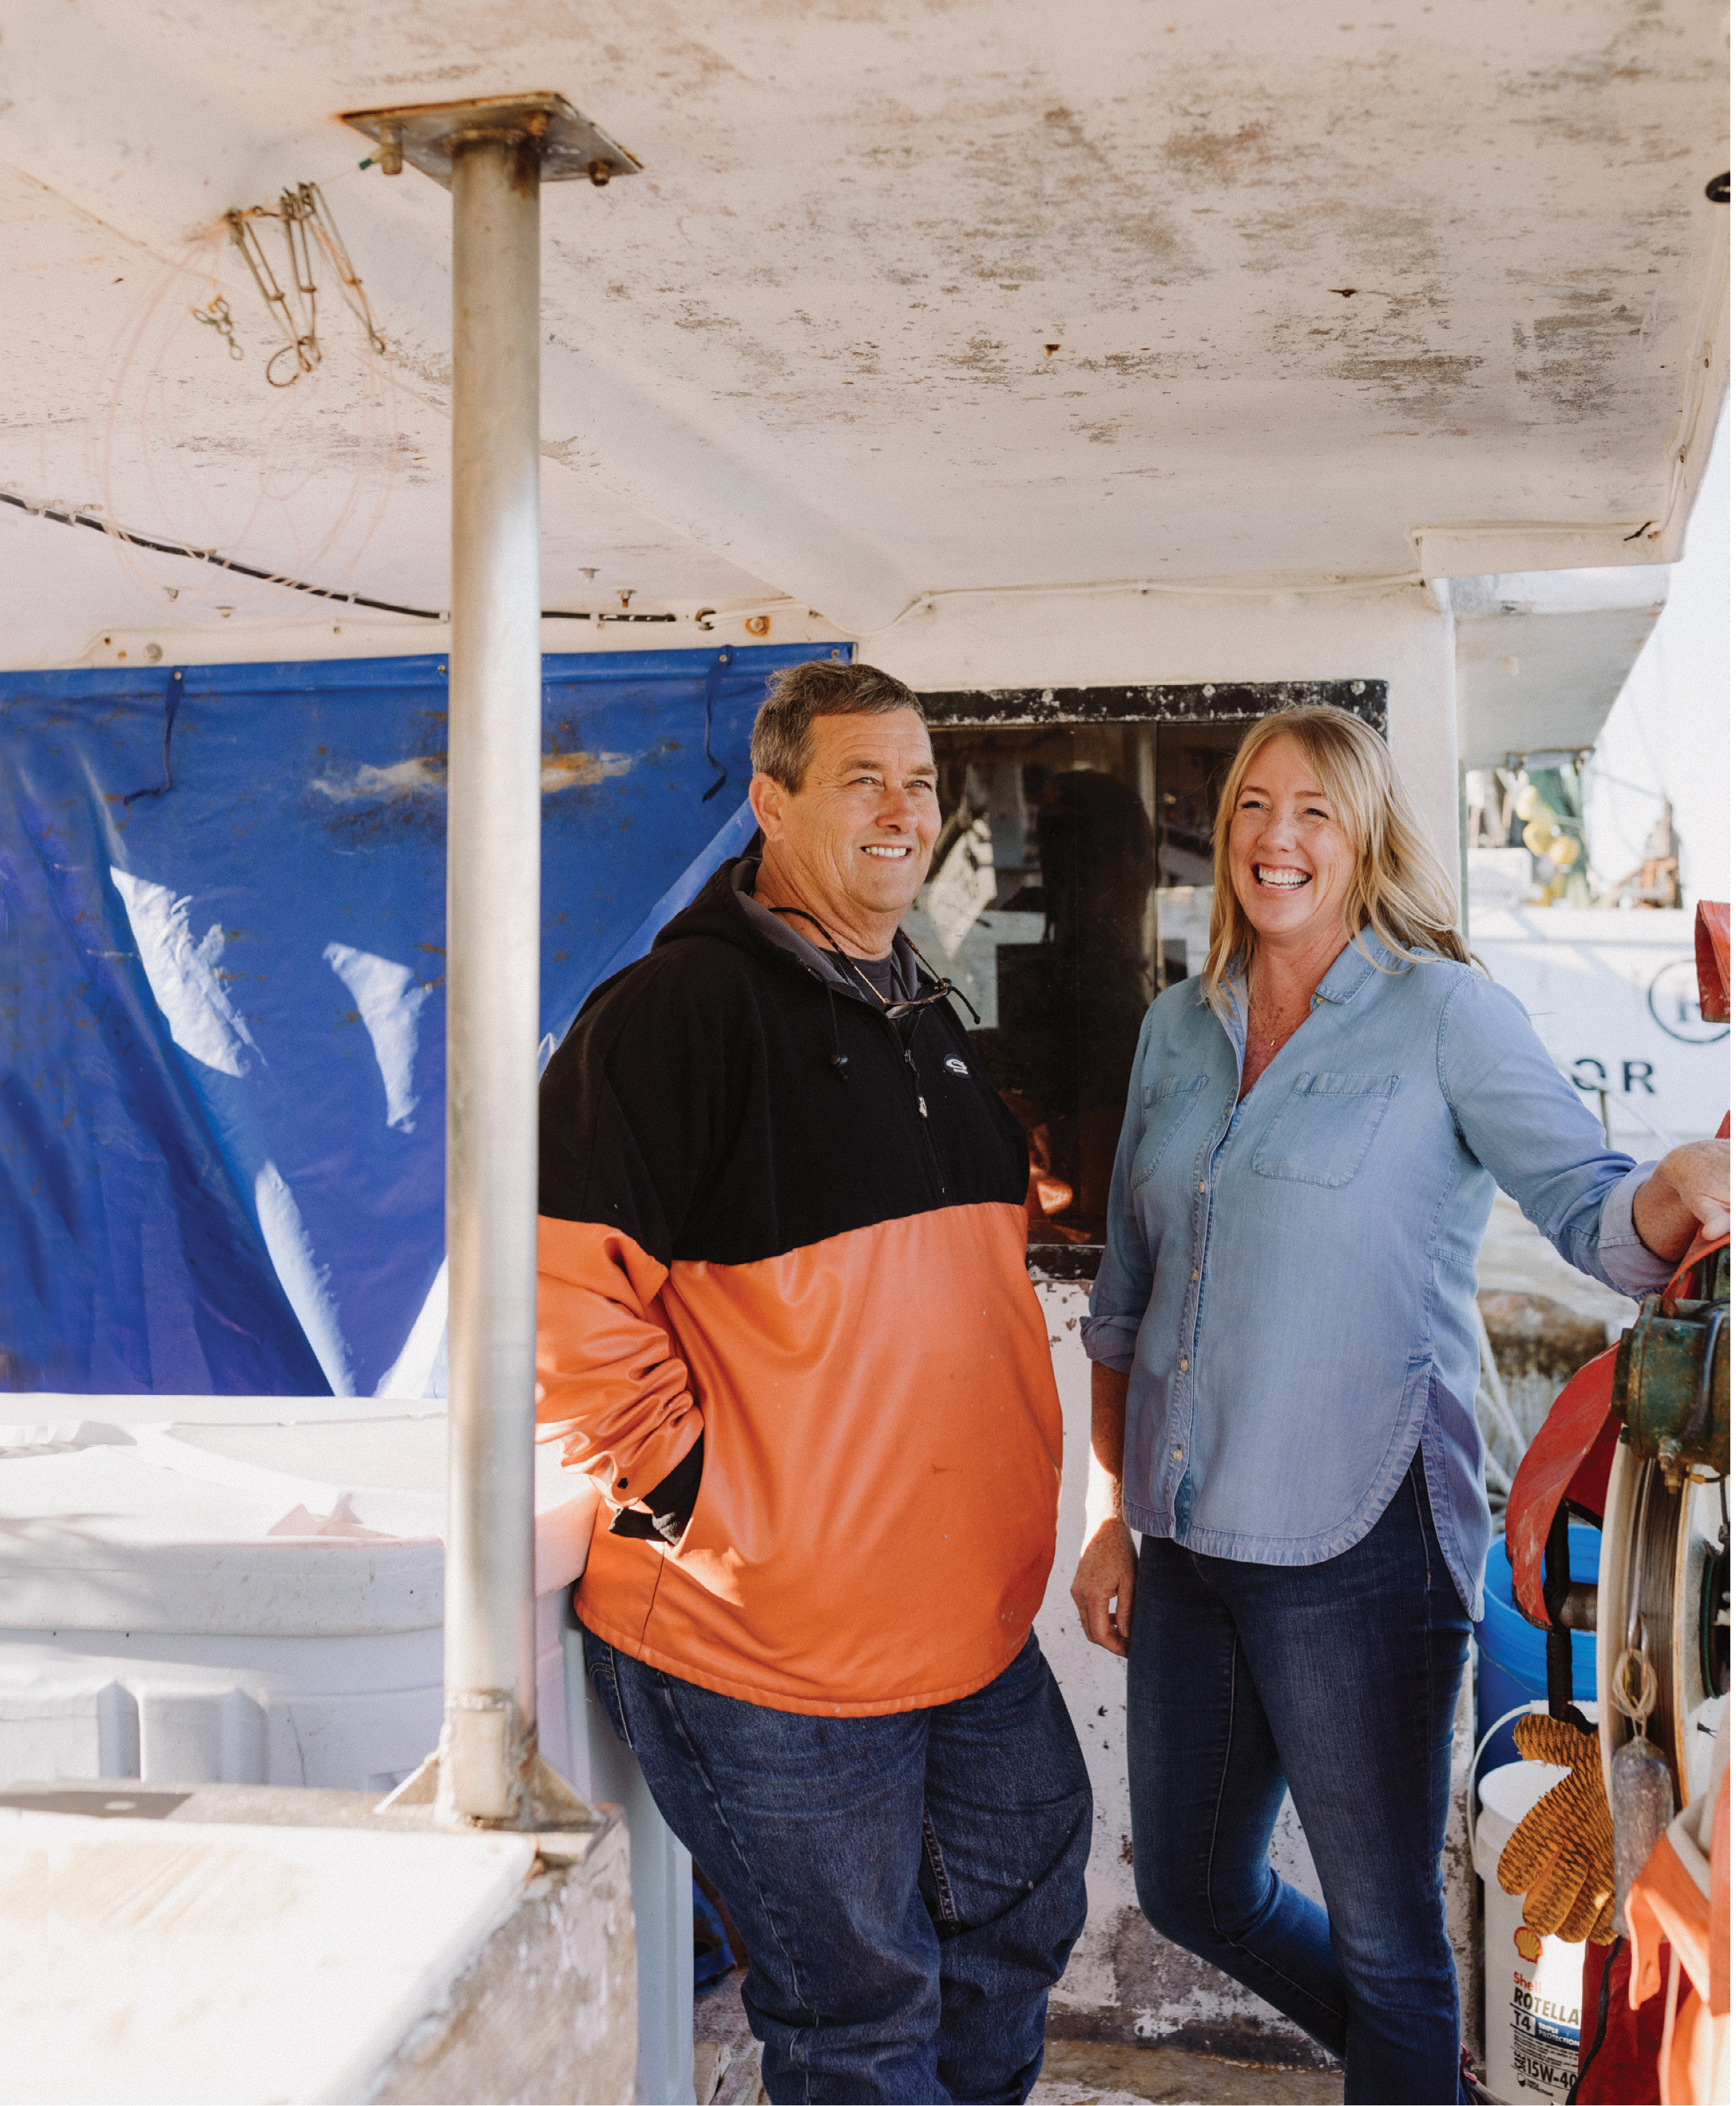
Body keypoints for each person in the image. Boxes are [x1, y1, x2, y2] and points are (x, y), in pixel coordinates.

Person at [1068, 707, 1730, 2105]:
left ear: (1365, 835)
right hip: (1187, 1544)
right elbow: (1125, 1298)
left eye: (1314, 809)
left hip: (1359, 1545)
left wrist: (1677, 1187)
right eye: (1253, 805)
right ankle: (1415, 2068)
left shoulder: (1447, 1013)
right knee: (1191, 1886)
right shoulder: (1175, 1031)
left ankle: (1409, 2063)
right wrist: (1111, 1517)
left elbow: (1592, 1211)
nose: (1278, 837)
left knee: (1390, 1944)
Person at [537, 659, 1091, 2105]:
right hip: (770, 1639)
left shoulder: (930, 1017)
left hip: (963, 1613)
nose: (905, 811)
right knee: (857, 2015)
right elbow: (554, 1298)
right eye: (865, 780)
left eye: (920, 782)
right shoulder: (675, 1016)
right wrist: (692, 1503)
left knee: (1021, 1909)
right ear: (770, 804)